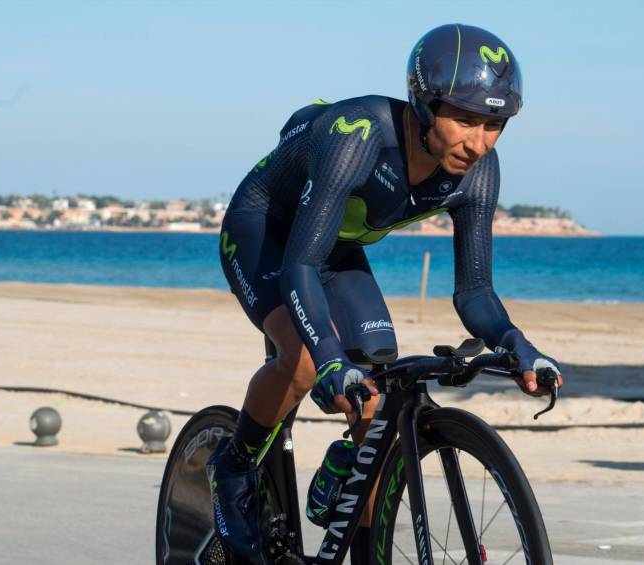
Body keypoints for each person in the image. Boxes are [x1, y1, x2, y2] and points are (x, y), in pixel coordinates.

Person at [207, 23, 563, 561]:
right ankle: (232, 467)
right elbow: (299, 265)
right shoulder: (358, 134)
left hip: (335, 244)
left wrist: (518, 345)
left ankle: (362, 541)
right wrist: (328, 359)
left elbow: (474, 292)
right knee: (305, 363)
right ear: (424, 104)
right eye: (465, 119)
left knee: (374, 396)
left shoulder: (478, 171)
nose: (480, 140)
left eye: (495, 123)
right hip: (267, 229)